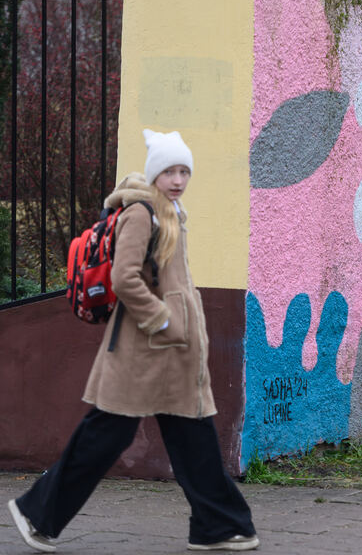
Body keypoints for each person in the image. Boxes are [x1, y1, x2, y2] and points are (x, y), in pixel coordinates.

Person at [8, 129, 258, 552]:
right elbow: (125, 279)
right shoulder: (142, 213)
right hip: (142, 354)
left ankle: (217, 526)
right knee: (104, 438)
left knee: (193, 438)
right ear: (155, 172)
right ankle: (37, 513)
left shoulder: (170, 210)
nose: (178, 179)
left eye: (184, 171)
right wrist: (162, 321)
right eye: (170, 171)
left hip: (170, 355)